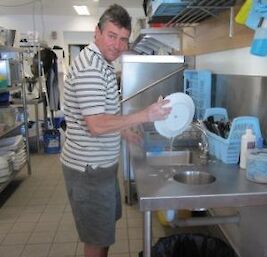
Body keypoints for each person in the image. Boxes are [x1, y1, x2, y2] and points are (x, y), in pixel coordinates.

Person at [60, 4, 171, 257]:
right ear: (96, 32)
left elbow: (100, 114)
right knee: (95, 240)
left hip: (100, 167)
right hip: (89, 170)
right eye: (112, 36)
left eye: (123, 39)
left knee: (103, 232)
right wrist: (145, 114)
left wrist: (124, 132)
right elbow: (97, 124)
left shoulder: (103, 63)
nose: (118, 45)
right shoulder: (91, 67)